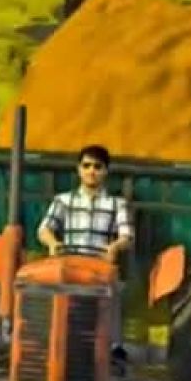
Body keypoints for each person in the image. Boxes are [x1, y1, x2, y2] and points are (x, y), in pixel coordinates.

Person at [37, 144, 134, 360]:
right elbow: (44, 229)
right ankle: (49, 341)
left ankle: (113, 348)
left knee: (114, 289)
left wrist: (115, 247)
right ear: (78, 169)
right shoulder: (63, 200)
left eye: (98, 167)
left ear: (106, 171)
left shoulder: (116, 204)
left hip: (99, 267)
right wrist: (52, 243)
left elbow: (127, 236)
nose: (92, 171)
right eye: (87, 165)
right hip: (70, 264)